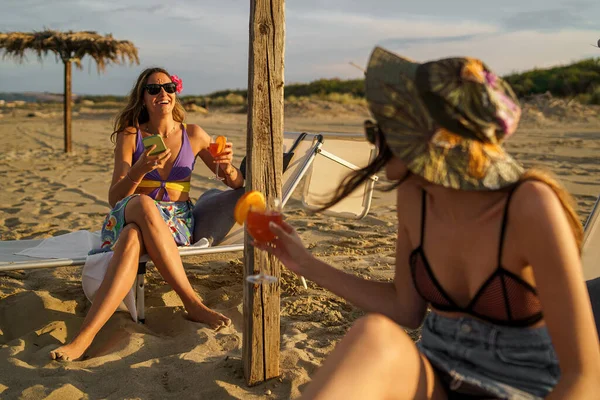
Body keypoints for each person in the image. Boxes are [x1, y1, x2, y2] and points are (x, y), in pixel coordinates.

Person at [256, 47, 600, 399]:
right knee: (374, 334)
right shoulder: (415, 197)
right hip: (436, 374)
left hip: (519, 388)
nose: (374, 141)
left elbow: (583, 376)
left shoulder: (528, 205)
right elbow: (404, 309)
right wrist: (303, 262)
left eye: (381, 130)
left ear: (428, 138)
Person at [50, 68, 244, 361]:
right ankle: (191, 302)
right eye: (153, 89)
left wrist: (226, 165)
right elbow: (115, 198)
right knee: (142, 203)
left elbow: (235, 182)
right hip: (129, 210)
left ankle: (83, 338)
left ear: (175, 92)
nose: (162, 93)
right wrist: (140, 168)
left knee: (132, 238)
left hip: (174, 222)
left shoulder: (194, 134)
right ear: (143, 97)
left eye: (168, 86)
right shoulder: (132, 135)